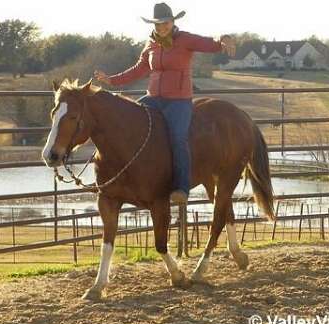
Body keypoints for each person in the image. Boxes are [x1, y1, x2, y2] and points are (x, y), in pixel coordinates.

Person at [94, 2, 236, 204]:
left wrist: (223, 39)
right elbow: (138, 69)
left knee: (177, 138)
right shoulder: (151, 44)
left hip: (178, 101)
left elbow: (210, 44)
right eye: (158, 24)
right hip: (153, 98)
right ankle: (133, 177)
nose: (162, 28)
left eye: (165, 23)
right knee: (126, 121)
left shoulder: (185, 39)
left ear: (172, 21)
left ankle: (181, 187)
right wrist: (111, 80)